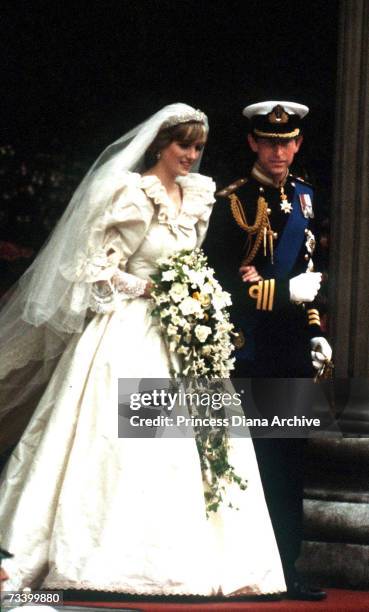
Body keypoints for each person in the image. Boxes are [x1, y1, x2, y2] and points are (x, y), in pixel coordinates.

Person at [0, 103, 286, 597]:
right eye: (183, 146)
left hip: (185, 334)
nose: (191, 157)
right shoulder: (132, 196)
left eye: (197, 148)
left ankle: (196, 560)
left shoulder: (197, 196)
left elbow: (193, 259)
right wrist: (156, 290)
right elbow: (98, 269)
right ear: (159, 144)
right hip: (130, 329)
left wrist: (194, 294)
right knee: (119, 441)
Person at [204, 100, 332, 600]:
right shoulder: (232, 202)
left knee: (291, 462)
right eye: (270, 141)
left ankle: (289, 568)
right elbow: (215, 283)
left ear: (298, 143)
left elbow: (309, 277)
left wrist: (316, 329)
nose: (279, 150)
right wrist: (281, 293)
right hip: (250, 347)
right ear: (253, 143)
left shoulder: (303, 198)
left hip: (292, 349)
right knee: (257, 462)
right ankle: (256, 567)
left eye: (288, 141)